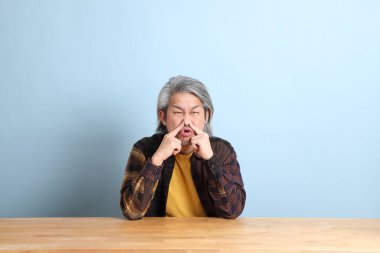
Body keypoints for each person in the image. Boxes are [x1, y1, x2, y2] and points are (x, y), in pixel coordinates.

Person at [120, 75, 246, 219]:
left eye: (194, 112)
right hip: (159, 238)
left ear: (206, 116)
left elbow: (233, 210)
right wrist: (156, 160)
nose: (186, 121)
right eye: (178, 112)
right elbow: (131, 211)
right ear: (163, 117)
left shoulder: (222, 150)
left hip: (210, 238)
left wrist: (211, 160)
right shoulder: (144, 149)